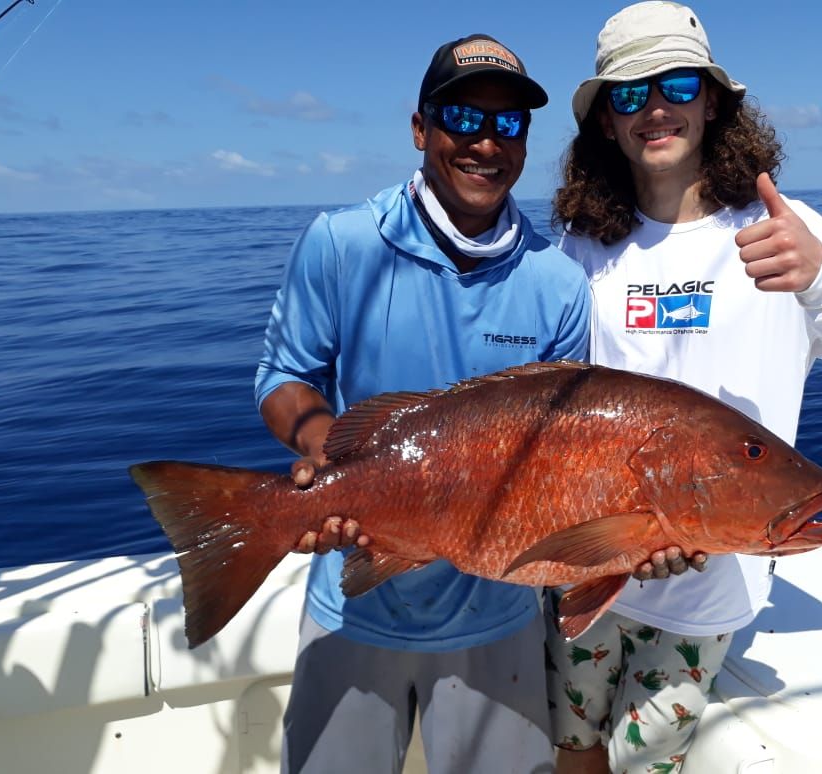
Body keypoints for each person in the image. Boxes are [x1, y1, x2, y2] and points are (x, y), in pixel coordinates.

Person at [545, 3, 822, 773]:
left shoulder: (785, 235)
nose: (655, 107)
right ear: (606, 121)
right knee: (572, 753)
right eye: (629, 93)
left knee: (644, 765)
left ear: (712, 101)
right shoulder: (579, 248)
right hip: (584, 566)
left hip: (707, 604)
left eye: (675, 83)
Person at [253, 32, 592, 774]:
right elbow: (283, 374)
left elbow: (564, 459)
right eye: (462, 118)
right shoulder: (341, 244)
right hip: (354, 603)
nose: (486, 143)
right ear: (420, 128)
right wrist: (323, 459)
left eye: (508, 124)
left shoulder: (559, 285)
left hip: (496, 616)